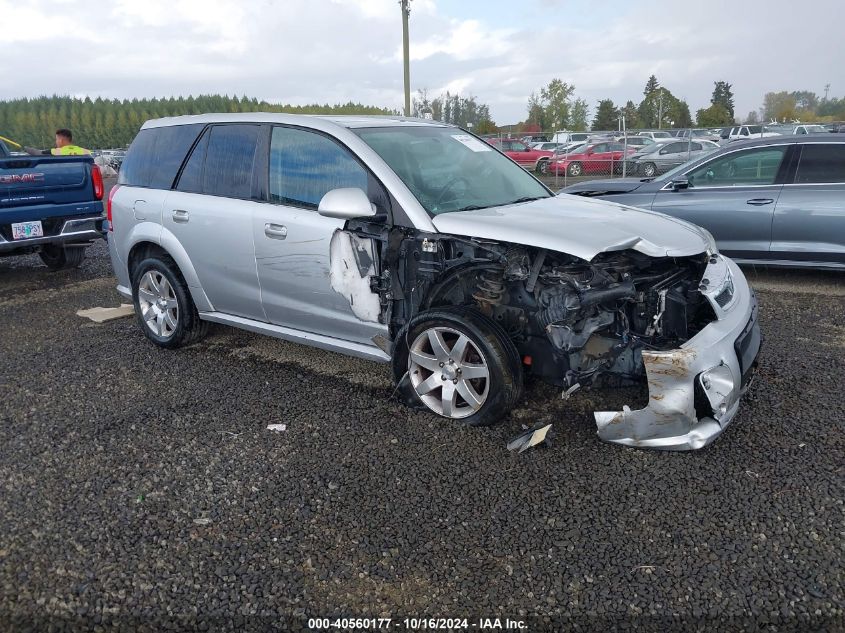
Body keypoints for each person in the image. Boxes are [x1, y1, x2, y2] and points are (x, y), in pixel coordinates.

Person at [25, 128, 90, 156]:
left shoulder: (55, 152)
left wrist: (24, 148)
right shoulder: (86, 151)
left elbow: (37, 153)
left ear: (61, 140)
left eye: (56, 139)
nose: (56, 142)